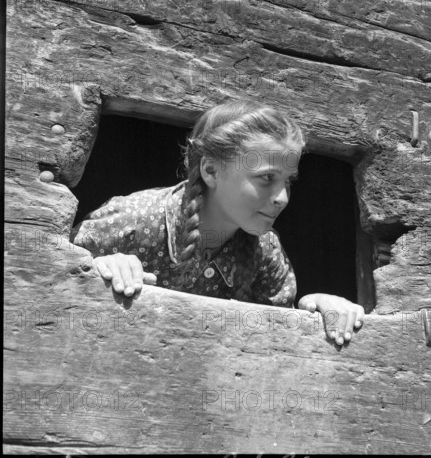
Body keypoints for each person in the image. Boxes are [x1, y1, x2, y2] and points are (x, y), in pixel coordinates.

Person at [71, 99, 365, 345]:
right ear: (211, 170)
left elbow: (275, 340)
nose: (283, 198)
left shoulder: (266, 250)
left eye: (289, 181)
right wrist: (99, 267)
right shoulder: (133, 220)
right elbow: (54, 269)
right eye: (267, 178)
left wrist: (314, 308)